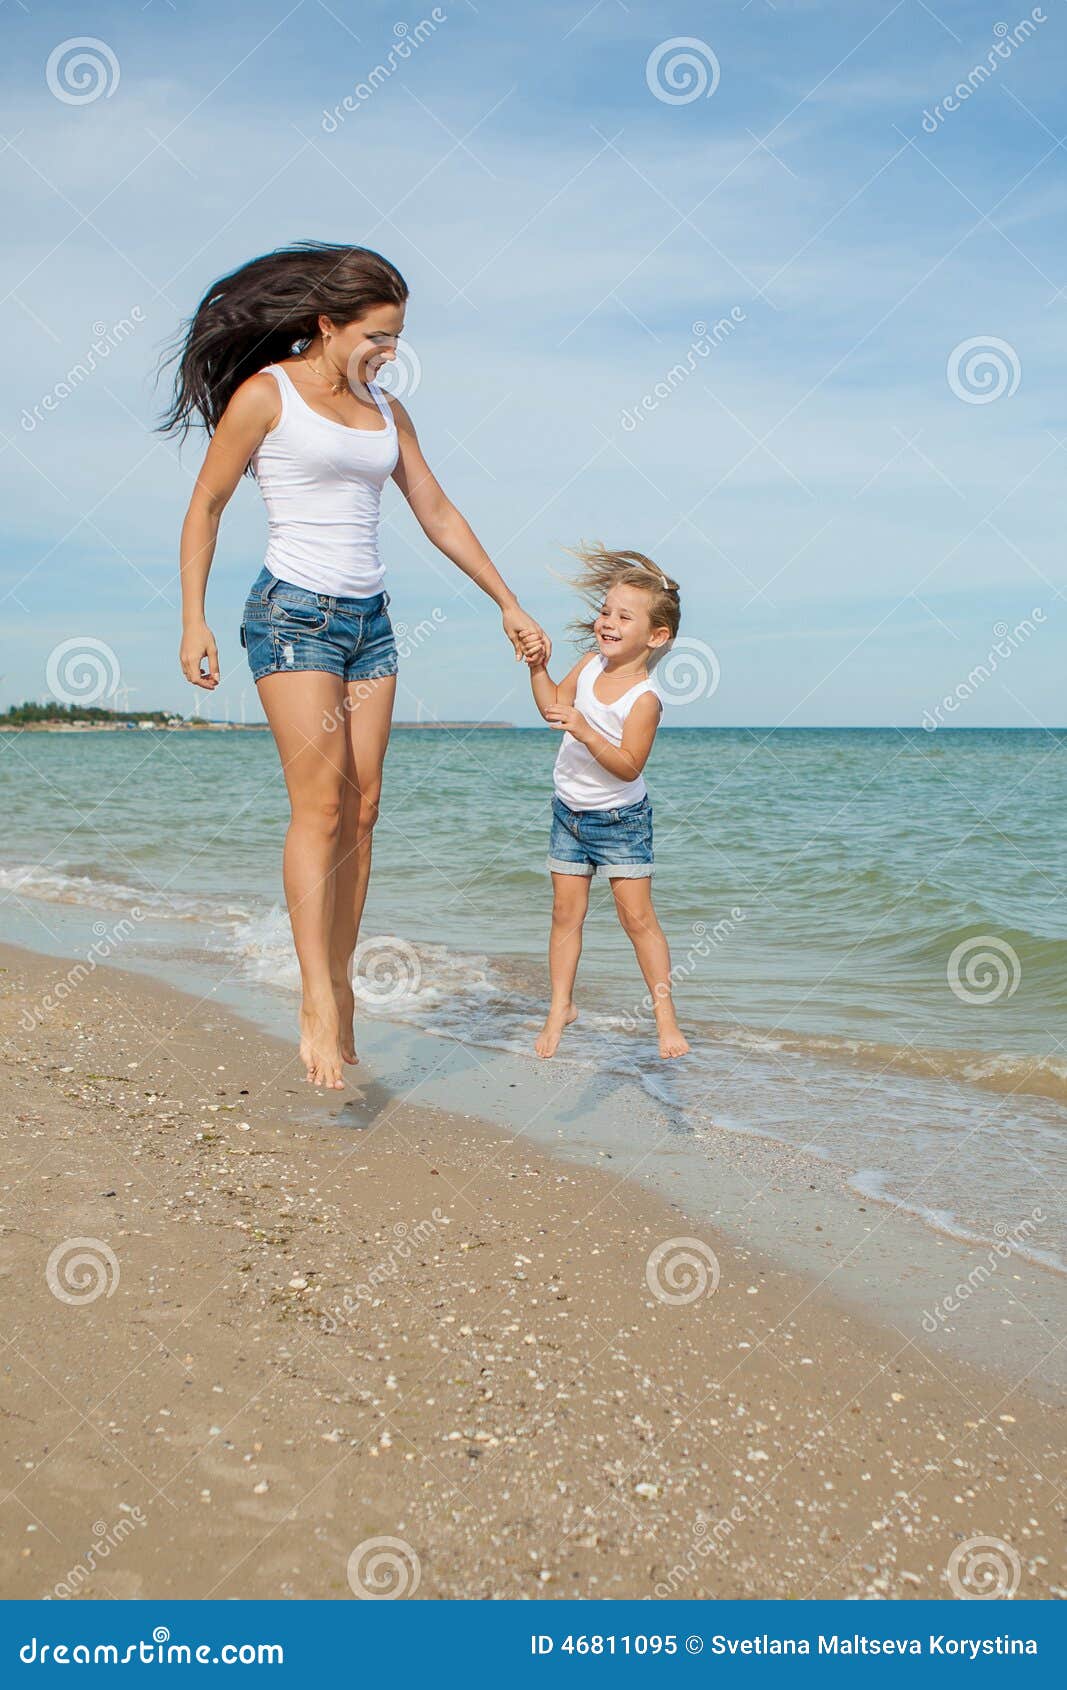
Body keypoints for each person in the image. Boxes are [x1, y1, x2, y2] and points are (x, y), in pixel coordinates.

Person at [165, 242, 549, 1089]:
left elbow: (436, 510)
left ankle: (339, 978)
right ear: (327, 323)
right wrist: (192, 618)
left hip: (369, 624)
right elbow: (207, 503)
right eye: (377, 334)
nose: (389, 350)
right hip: (291, 615)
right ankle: (313, 996)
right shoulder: (266, 396)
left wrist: (506, 600)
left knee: (365, 806)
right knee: (322, 803)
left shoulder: (386, 408)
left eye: (398, 336)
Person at [523, 546, 689, 1060]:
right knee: (563, 915)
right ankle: (560, 1006)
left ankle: (665, 1020)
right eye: (605, 611)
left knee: (637, 920)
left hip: (621, 822)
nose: (607, 622)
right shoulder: (590, 666)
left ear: (656, 637)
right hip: (568, 814)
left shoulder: (645, 699)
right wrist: (538, 666)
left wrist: (584, 729)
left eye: (623, 616)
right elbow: (555, 706)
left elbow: (628, 764)